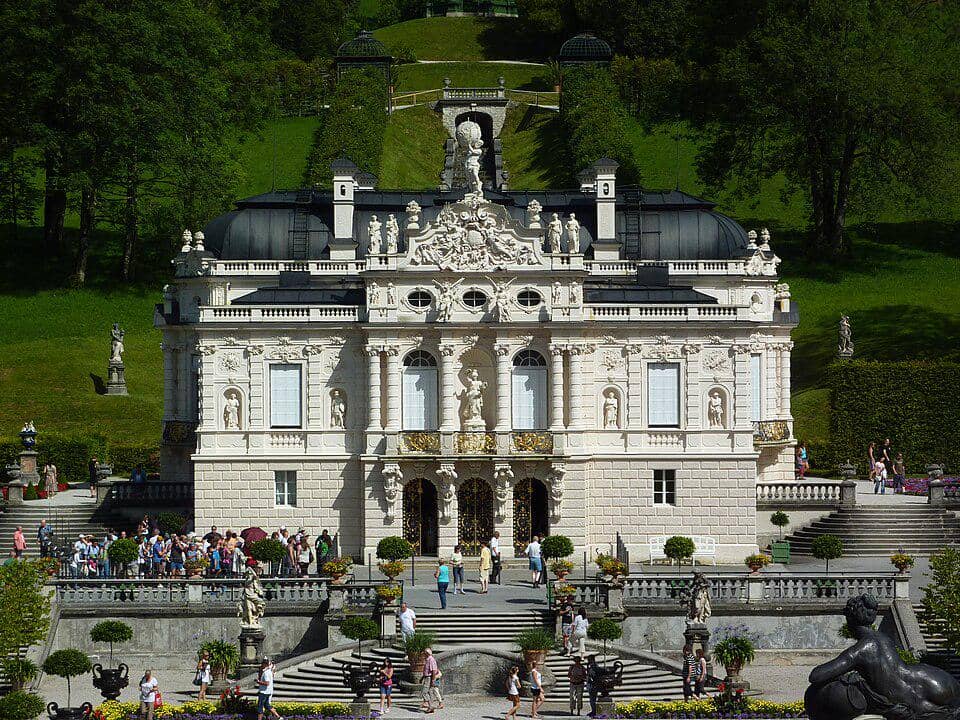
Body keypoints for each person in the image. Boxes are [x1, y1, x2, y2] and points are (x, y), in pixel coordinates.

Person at [420, 648, 442, 713]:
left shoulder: (431, 660)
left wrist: (433, 680)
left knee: (424, 692)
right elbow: (426, 670)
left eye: (424, 652)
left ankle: (430, 706)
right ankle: (430, 706)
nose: (423, 654)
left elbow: (434, 671)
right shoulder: (428, 659)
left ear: (427, 653)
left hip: (429, 678)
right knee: (429, 692)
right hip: (427, 677)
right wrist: (422, 678)